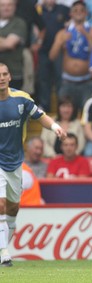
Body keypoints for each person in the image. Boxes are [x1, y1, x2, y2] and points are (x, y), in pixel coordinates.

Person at [0, 63, 66, 267]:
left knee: (12, 210)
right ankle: (4, 253)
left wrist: (55, 126)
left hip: (15, 161)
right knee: (1, 204)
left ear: (10, 77)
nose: (1, 78)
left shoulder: (21, 98)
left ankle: (3, 246)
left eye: (4, 74)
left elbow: (40, 116)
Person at [49, 0, 92, 111]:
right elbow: (52, 57)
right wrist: (59, 42)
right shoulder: (63, 32)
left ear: (86, 13)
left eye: (82, 10)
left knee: (86, 114)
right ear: (70, 14)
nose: (79, 12)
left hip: (87, 82)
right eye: (75, 10)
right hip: (67, 82)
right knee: (65, 114)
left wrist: (86, 35)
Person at [36, 0, 70, 112]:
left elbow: (71, 24)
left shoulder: (63, 9)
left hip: (59, 51)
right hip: (43, 50)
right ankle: (45, 106)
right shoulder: (37, 9)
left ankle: (61, 106)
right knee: (43, 79)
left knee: (60, 79)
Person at [0, 0, 27, 90]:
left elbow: (9, 44)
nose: (6, 8)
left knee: (10, 103)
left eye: (9, 5)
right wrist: (4, 39)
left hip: (12, 75)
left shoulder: (19, 23)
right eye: (3, 5)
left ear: (14, 7)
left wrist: (6, 42)